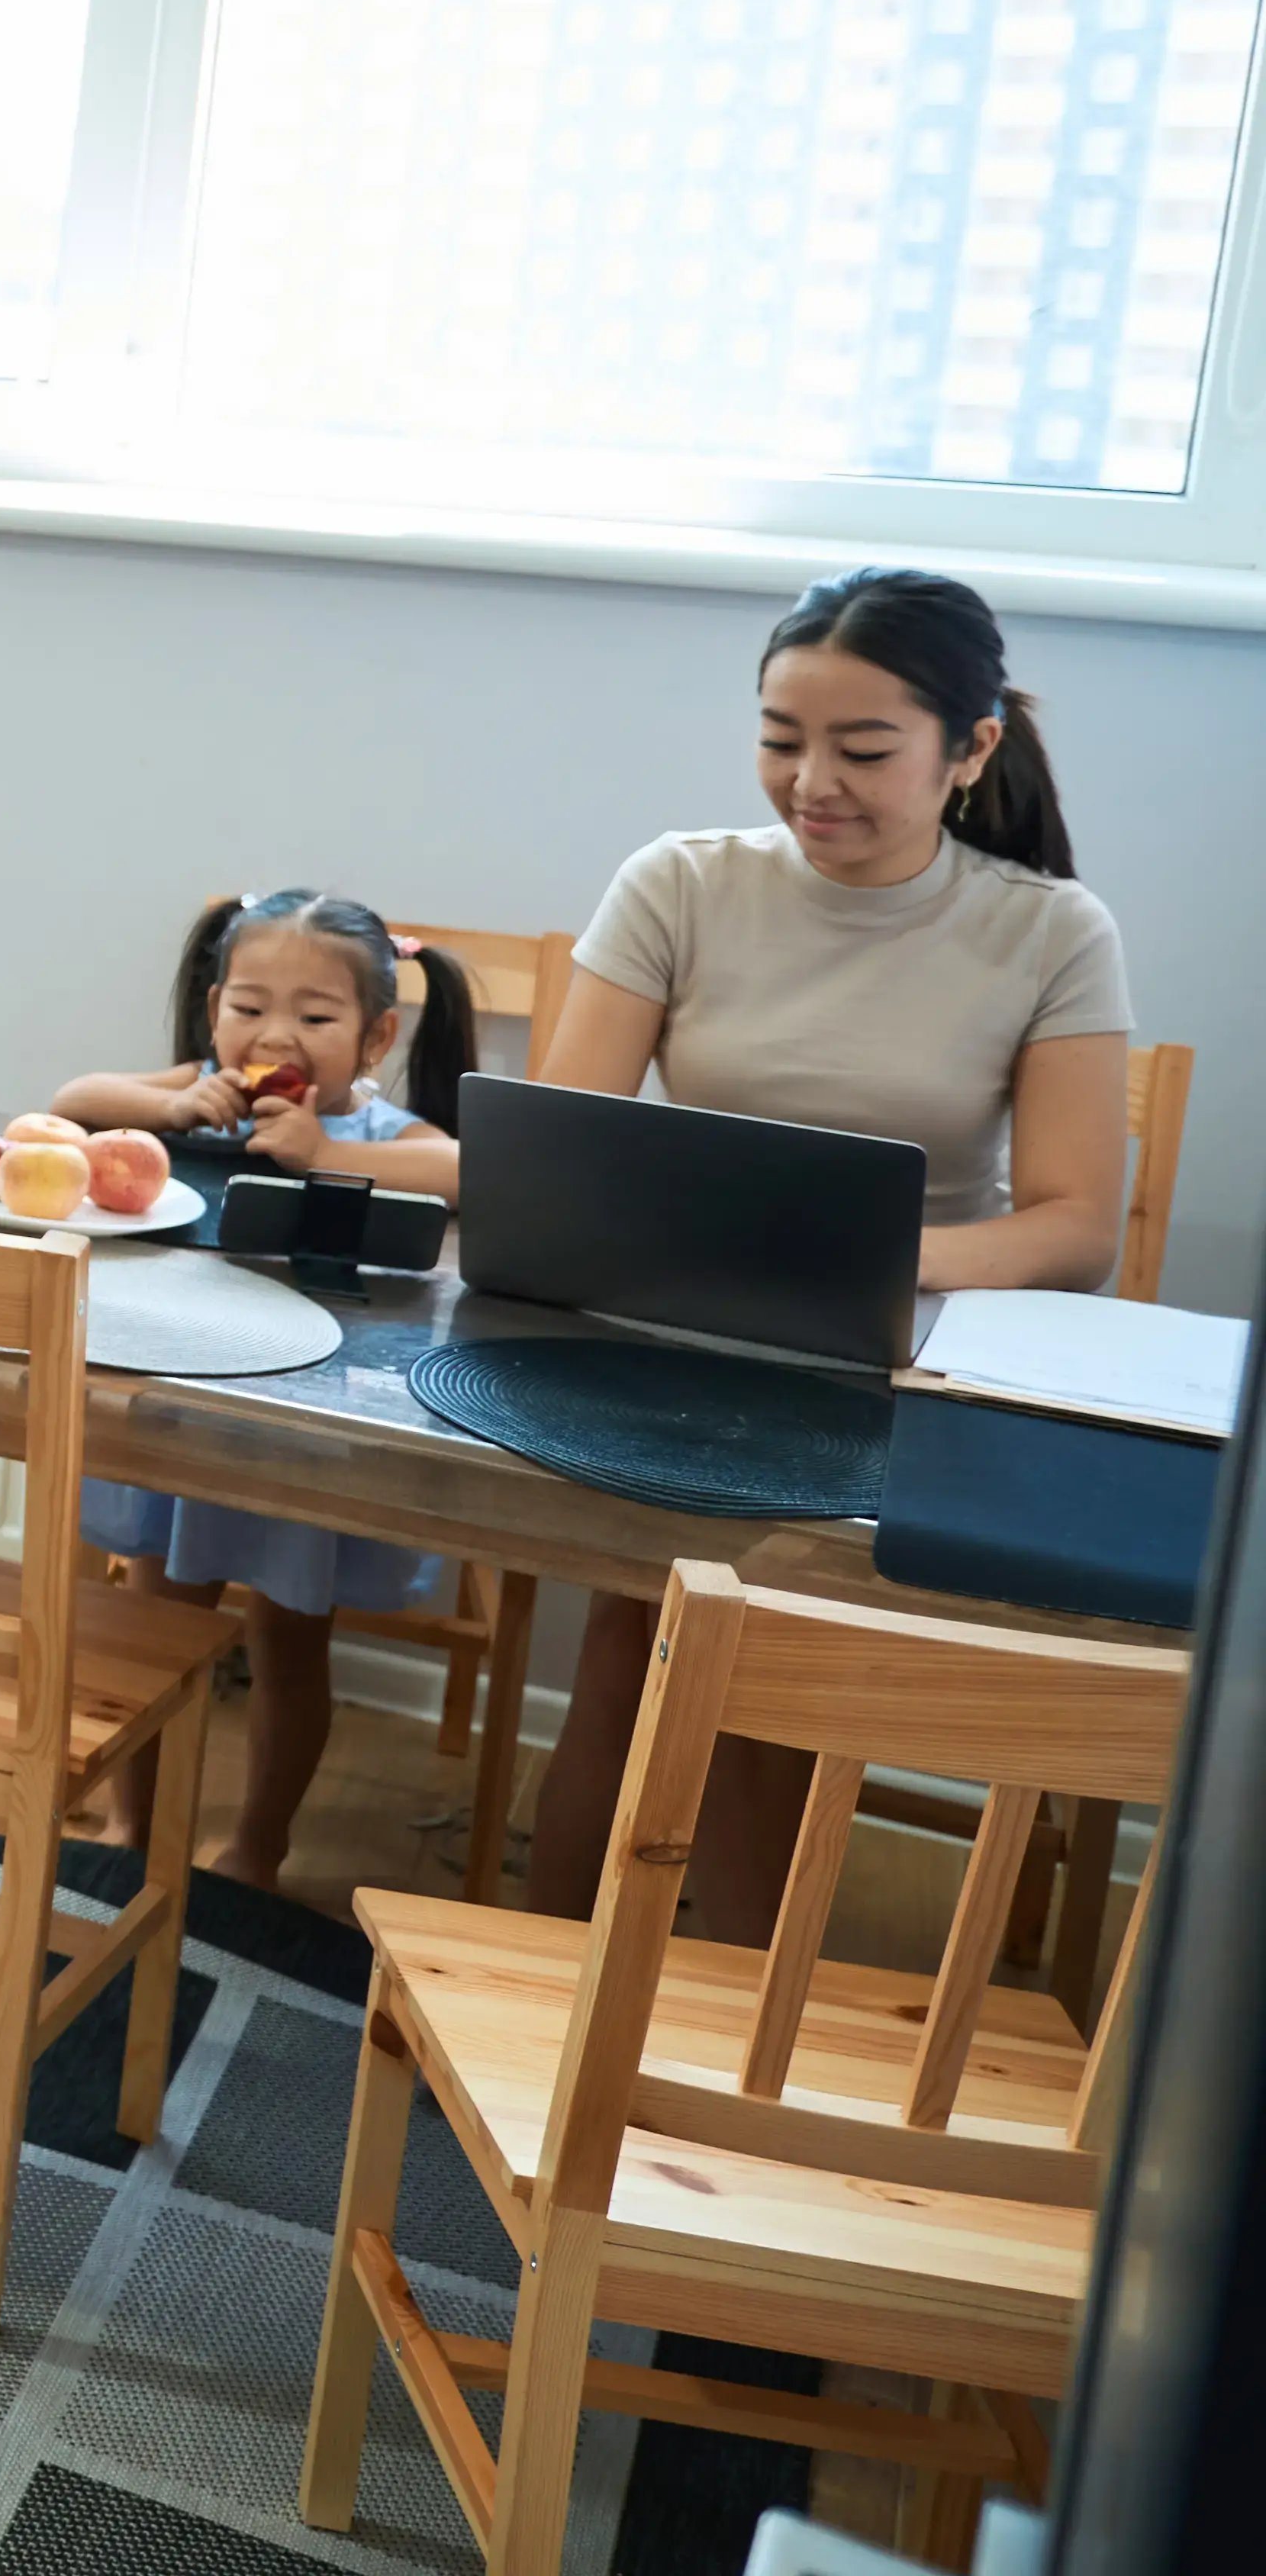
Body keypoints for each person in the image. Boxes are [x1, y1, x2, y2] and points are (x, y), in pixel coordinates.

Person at [519, 566, 1133, 1925]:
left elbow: (1076, 1228)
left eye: (863, 750)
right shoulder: (679, 883)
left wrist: (853, 1258)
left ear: (971, 750)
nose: (811, 783)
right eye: (780, 740)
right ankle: (551, 1999)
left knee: (750, 1668)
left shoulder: (1047, 932)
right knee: (634, 1645)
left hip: (882, 1361)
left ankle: (699, 2034)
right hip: (665, 1341)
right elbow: (557, 1150)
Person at [53, 891, 475, 1885]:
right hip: (183, 1408)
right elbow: (73, 1100)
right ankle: (133, 1826)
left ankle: (257, 1849)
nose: (275, 1035)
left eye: (316, 1019)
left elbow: (476, 1173)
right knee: (157, 1623)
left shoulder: (377, 1128)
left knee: (291, 1643)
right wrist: (166, 1109)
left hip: (306, 1426)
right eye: (248, 1008)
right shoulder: (201, 1089)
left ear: (376, 1036)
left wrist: (330, 1155)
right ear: (213, 1015)